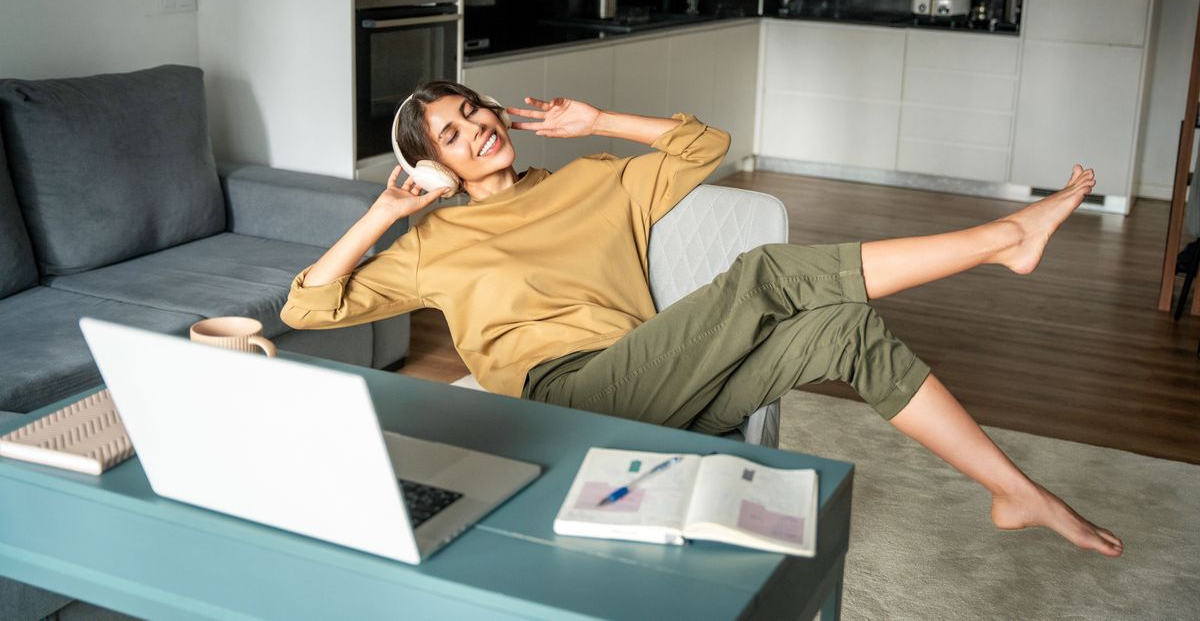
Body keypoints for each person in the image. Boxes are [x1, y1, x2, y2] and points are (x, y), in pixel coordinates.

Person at [281, 80, 1123, 558]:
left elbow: (703, 145)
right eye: (452, 137)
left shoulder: (594, 178)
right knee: (763, 274)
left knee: (844, 330)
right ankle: (1004, 237)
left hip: (653, 382)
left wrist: (598, 120)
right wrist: (386, 215)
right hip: (561, 400)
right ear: (433, 169)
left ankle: (1016, 494)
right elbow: (307, 304)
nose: (477, 133)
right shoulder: (434, 240)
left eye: (476, 113)